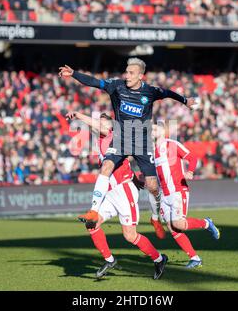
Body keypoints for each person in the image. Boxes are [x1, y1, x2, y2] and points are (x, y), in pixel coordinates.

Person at [59, 58, 198, 239]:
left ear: (140, 75)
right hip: (121, 139)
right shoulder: (116, 86)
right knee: (106, 167)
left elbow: (168, 93)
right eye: (126, 72)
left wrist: (185, 100)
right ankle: (93, 210)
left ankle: (155, 218)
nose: (127, 76)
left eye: (131, 73)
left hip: (142, 141)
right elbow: (94, 82)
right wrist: (74, 74)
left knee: (152, 186)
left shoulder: (150, 91)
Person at [65, 111, 168, 279]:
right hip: (112, 194)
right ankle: (109, 259)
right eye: (100, 122)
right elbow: (124, 163)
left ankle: (158, 259)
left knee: (130, 235)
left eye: (104, 123)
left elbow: (98, 127)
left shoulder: (112, 136)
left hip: (124, 191)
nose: (101, 125)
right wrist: (135, 177)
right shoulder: (103, 142)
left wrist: (78, 115)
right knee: (92, 224)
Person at [152, 123, 220, 268]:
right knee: (172, 227)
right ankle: (195, 258)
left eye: (155, 128)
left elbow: (192, 157)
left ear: (164, 131)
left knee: (178, 224)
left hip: (178, 190)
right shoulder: (152, 151)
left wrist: (191, 171)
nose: (152, 131)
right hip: (165, 194)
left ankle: (206, 223)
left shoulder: (172, 144)